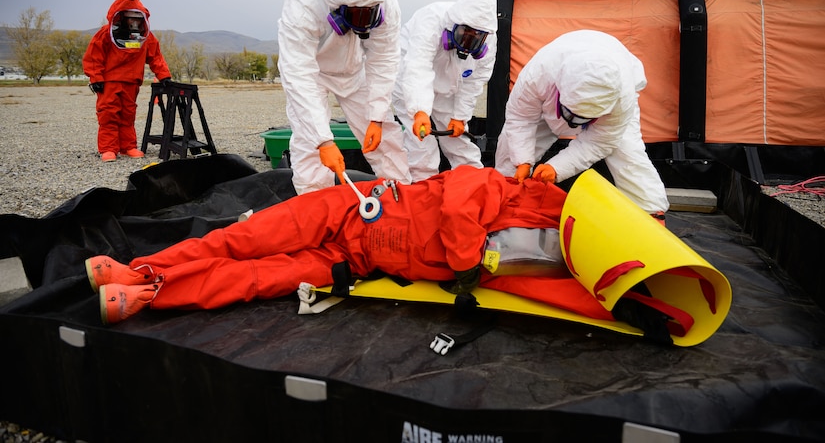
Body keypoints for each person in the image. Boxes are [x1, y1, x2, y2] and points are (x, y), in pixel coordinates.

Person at [86, 165, 567, 325]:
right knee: (243, 239)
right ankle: (140, 266)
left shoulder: (531, 254)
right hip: (346, 209)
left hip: (352, 261)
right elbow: (460, 206)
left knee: (258, 279)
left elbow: (549, 288)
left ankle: (150, 291)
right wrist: (465, 267)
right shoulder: (497, 185)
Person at [277, 0, 411, 194]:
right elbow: (298, 73)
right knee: (309, 145)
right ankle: (316, 208)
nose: (365, 23)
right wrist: (323, 140)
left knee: (386, 139)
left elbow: (383, 60)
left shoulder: (385, 1)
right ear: (338, 6)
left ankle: (402, 196)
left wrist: (376, 116)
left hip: (353, 69)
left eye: (369, 15)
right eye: (357, 15)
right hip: (312, 74)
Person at [494, 30, 669, 219]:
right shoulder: (538, 74)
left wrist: (557, 168)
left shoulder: (621, 98)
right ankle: (504, 191)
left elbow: (600, 142)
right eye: (573, 115)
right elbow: (521, 119)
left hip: (606, 101)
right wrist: (523, 161)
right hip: (551, 97)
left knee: (627, 150)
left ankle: (652, 213)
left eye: (585, 119)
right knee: (511, 146)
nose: (576, 124)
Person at [392, 0, 498, 181]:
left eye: (474, 39)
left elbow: (474, 83)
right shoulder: (431, 20)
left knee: (458, 140)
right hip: (408, 78)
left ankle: (476, 184)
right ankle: (424, 189)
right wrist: (419, 111)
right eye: (464, 35)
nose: (467, 43)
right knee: (421, 144)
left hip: (447, 85)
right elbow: (418, 66)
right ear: (453, 25)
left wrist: (460, 117)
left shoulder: (489, 40)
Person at [83, 0, 172, 162]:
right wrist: (96, 78)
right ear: (123, 17)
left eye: (138, 19)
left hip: (132, 82)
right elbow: (94, 57)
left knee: (128, 114)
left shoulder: (145, 37)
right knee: (108, 114)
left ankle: (127, 146)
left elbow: (156, 57)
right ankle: (109, 149)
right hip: (109, 82)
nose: (135, 23)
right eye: (131, 18)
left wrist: (164, 76)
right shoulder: (106, 33)